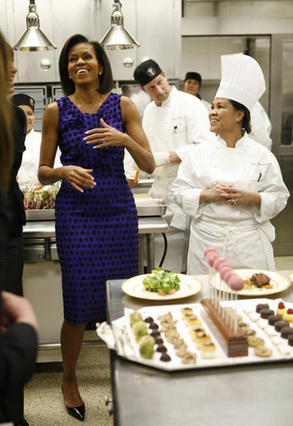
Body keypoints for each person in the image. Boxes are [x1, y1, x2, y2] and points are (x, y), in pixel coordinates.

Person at [38, 34, 155, 421]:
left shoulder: (122, 106)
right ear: (67, 68)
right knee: (77, 305)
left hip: (117, 211)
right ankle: (69, 379)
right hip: (76, 214)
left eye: (86, 57)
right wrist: (60, 171)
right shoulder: (56, 111)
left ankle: (129, 377)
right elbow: (42, 170)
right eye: (72, 59)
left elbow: (150, 163)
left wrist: (124, 138)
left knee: (122, 301)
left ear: (101, 65)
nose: (79, 63)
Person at [172, 54, 289, 275]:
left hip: (247, 246)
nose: (212, 112)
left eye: (220, 107)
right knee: (208, 302)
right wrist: (206, 194)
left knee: (250, 301)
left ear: (239, 115)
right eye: (213, 106)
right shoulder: (197, 154)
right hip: (206, 247)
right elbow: (178, 193)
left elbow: (280, 197)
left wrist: (253, 198)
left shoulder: (262, 155)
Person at [132, 59, 211, 273]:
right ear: (143, 89)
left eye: (160, 82)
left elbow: (204, 146)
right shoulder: (148, 111)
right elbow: (144, 147)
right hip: (160, 190)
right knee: (155, 259)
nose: (159, 90)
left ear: (165, 75)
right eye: (151, 87)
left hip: (186, 191)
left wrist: (167, 157)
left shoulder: (190, 104)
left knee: (182, 265)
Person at [0, 31, 38, 426]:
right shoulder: (10, 115)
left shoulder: (11, 114)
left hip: (6, 232)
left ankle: (12, 416)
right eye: (7, 59)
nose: (15, 67)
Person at [11, 93, 62, 190]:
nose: (26, 118)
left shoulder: (43, 140)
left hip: (41, 195)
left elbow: (56, 170)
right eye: (21, 113)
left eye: (30, 113)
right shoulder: (6, 141)